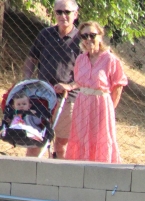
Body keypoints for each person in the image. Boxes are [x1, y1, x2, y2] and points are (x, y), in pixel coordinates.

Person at [58, 21, 127, 163]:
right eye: (84, 36)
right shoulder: (81, 59)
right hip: (82, 104)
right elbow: (81, 81)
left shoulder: (110, 60)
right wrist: (69, 87)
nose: (88, 39)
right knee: (82, 138)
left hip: (101, 105)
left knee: (101, 139)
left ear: (100, 36)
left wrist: (110, 108)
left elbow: (118, 85)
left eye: (92, 35)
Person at [22, 0, 81, 159]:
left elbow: (86, 75)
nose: (63, 16)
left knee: (61, 146)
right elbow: (31, 59)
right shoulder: (45, 34)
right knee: (35, 142)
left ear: (75, 14)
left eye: (67, 12)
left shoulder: (82, 40)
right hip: (42, 97)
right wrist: (27, 81)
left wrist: (69, 86)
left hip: (68, 100)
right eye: (59, 12)